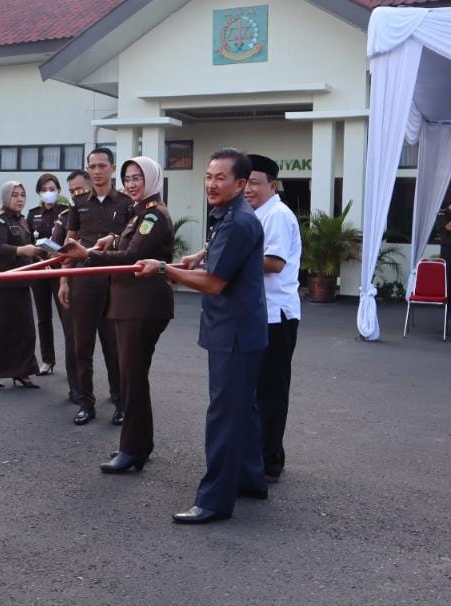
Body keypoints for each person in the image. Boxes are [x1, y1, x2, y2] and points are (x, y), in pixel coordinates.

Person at [138, 148, 268, 524]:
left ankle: (213, 501)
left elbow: (213, 283)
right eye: (208, 177)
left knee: (225, 415)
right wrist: (202, 253)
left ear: (241, 184)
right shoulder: (232, 216)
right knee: (243, 409)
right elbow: (221, 256)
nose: (211, 184)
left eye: (221, 178)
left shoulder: (237, 222)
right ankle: (249, 479)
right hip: (241, 329)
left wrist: (164, 268)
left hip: (234, 333)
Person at [63, 156, 174, 473]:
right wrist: (110, 239)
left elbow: (133, 256)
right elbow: (126, 242)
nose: (132, 184)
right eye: (128, 178)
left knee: (132, 379)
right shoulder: (140, 213)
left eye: (138, 177)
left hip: (142, 306)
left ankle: (131, 450)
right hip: (130, 304)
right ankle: (139, 445)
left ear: (151, 179)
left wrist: (89, 254)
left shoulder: (152, 215)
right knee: (133, 377)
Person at [58, 148, 130, 425]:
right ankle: (86, 403)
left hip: (113, 282)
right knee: (82, 346)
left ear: (112, 168)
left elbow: (130, 241)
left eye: (102, 166)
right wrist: (64, 280)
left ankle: (120, 401)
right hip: (83, 281)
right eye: (92, 166)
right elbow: (69, 242)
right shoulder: (78, 204)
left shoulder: (125, 203)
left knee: (114, 347)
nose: (97, 171)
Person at [244, 154, 301, 484]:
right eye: (245, 182)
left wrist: (231, 261)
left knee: (271, 391)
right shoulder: (254, 214)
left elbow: (275, 263)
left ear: (272, 185)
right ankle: (259, 454)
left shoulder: (276, 215)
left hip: (277, 316)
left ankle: (270, 461)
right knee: (256, 390)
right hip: (259, 313)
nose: (248, 189)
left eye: (255, 182)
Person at [0, 180, 41, 388]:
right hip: (0, 282)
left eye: (22, 195)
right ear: (6, 197)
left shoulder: (23, 221)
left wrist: (41, 262)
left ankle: (22, 371)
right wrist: (22, 251)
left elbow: (29, 248)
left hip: (21, 281)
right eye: (15, 195)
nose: (20, 199)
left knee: (25, 329)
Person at [52, 169, 92, 403]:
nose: (76, 194)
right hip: (73, 281)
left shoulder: (108, 208)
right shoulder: (65, 216)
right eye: (72, 191)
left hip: (102, 281)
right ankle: (76, 387)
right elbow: (59, 247)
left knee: (110, 341)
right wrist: (63, 280)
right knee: (73, 338)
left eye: (80, 189)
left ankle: (118, 392)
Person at [25, 173, 66, 377]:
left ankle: (72, 360)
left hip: (60, 271)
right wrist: (41, 262)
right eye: (44, 190)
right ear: (39, 193)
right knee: (43, 317)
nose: (48, 193)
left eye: (52, 189)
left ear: (59, 190)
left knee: (66, 316)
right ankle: (47, 360)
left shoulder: (66, 213)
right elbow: (29, 242)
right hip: (39, 270)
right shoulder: (32, 214)